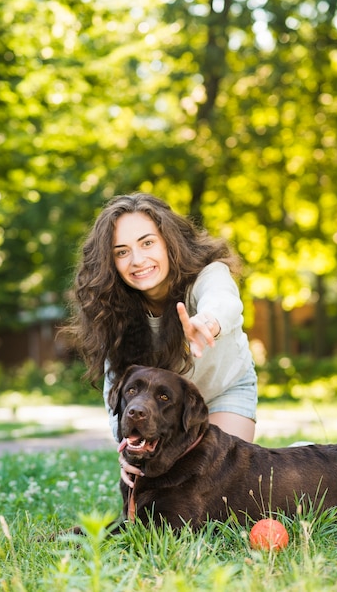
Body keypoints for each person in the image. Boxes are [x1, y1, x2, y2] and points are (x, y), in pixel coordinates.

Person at [67, 192, 258, 486]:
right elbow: (115, 389)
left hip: (224, 392)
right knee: (160, 492)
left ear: (169, 241)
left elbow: (224, 301)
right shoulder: (113, 307)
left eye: (147, 243)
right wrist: (126, 450)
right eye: (121, 252)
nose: (137, 260)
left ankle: (294, 455)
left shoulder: (208, 275)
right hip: (160, 412)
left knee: (223, 486)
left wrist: (206, 322)